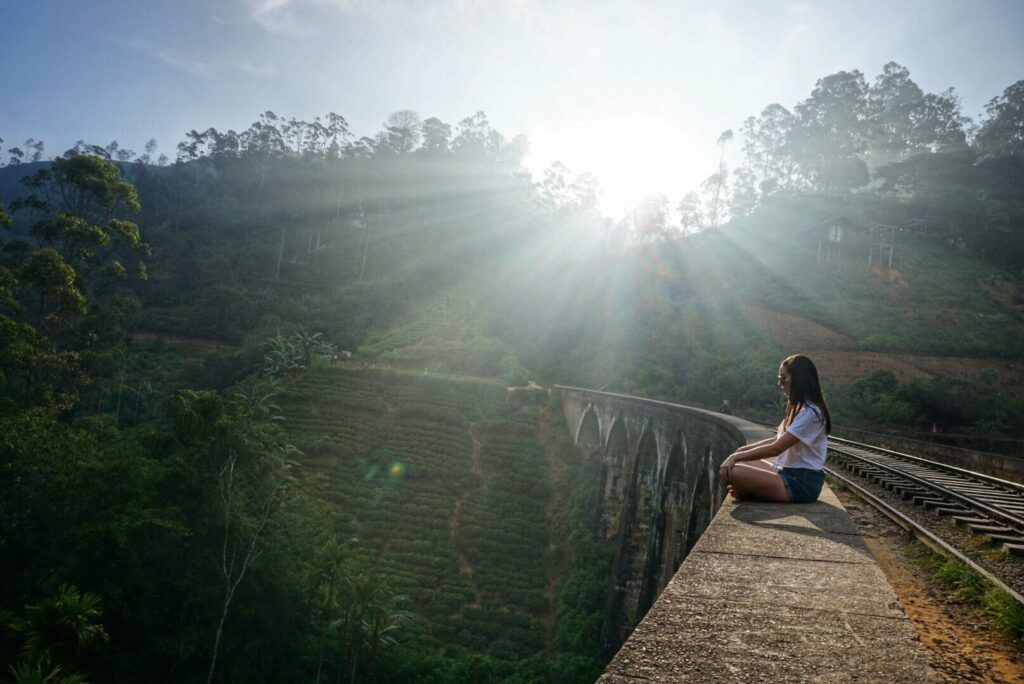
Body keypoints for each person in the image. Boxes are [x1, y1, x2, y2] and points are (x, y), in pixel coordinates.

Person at [719, 354, 831, 503]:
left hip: (800, 483)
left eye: (783, 379)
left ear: (798, 380)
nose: (780, 384)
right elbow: (778, 438)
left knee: (733, 470)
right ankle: (756, 492)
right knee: (741, 459)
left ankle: (755, 493)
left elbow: (775, 449)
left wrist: (735, 457)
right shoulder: (800, 408)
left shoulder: (811, 413)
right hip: (785, 472)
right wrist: (741, 452)